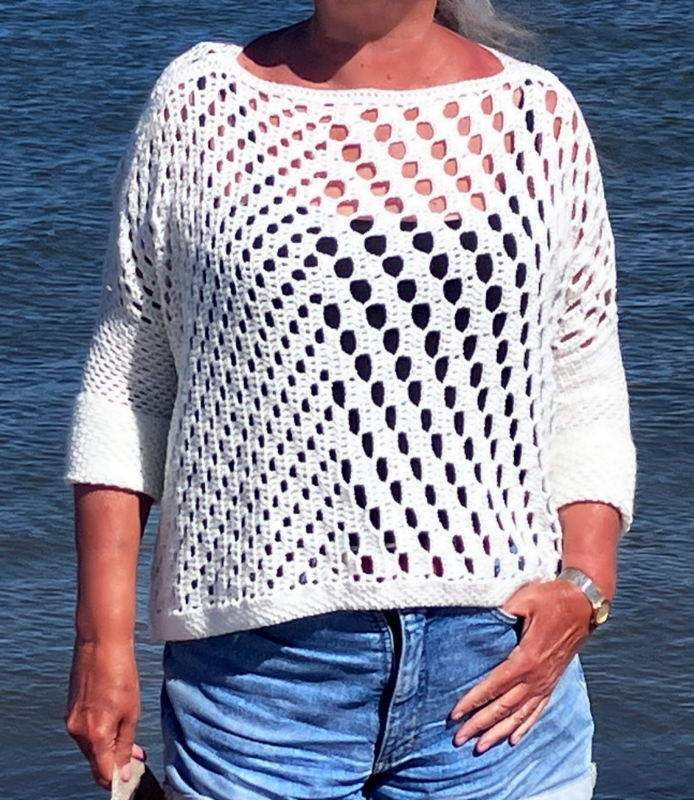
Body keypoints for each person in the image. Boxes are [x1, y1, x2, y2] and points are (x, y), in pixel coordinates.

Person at [64, 1, 636, 798]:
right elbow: (129, 385)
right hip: (256, 685)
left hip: (501, 673)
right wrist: (102, 643)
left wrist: (586, 586)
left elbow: (583, 376)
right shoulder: (198, 106)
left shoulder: (537, 117)